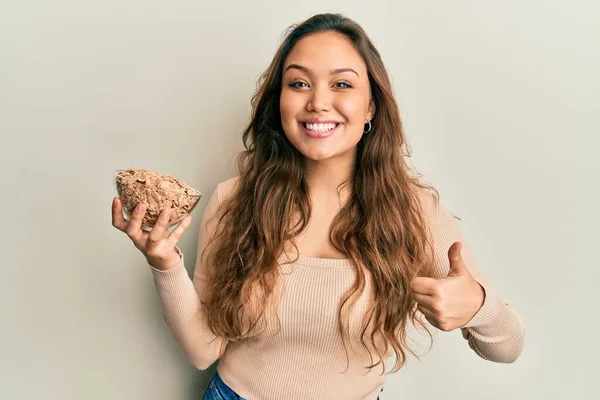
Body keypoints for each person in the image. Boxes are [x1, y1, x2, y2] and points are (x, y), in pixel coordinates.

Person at [111, 13, 525, 400]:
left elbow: (509, 347)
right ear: (280, 102)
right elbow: (203, 349)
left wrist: (478, 306)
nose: (318, 102)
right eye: (299, 83)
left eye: (342, 84)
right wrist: (163, 262)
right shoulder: (233, 201)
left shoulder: (414, 212)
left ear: (371, 107)